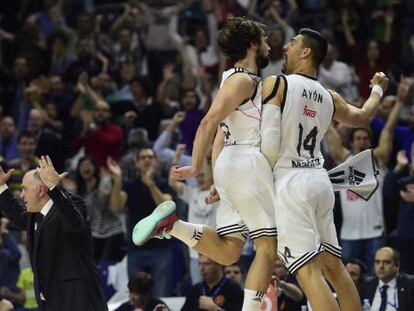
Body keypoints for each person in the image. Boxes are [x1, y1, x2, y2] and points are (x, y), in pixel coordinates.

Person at [133, 17, 278, 311]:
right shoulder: (243, 80)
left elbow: (222, 133)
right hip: (247, 162)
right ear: (252, 45)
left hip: (233, 165)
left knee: (228, 253)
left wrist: (220, 178)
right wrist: (197, 167)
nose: (269, 45)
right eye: (264, 40)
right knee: (267, 247)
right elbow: (208, 122)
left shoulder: (230, 79)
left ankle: (173, 226)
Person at [260, 28, 388, 311]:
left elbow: (269, 146)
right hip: (320, 182)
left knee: (309, 273)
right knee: (334, 267)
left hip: (290, 183)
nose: (285, 48)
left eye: (292, 44)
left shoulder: (277, 84)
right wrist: (378, 88)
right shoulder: (329, 96)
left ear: (306, 52)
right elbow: (363, 116)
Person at [0, 155, 107, 311]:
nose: (21, 195)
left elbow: (74, 223)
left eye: (24, 188)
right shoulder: (35, 214)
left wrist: (55, 188)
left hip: (79, 300)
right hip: (51, 301)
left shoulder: (72, 204)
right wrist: (1, 187)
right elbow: (16, 215)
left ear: (42, 190)